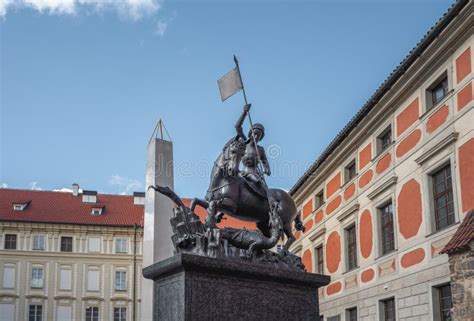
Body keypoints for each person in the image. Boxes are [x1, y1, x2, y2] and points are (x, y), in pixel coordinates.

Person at [235, 104, 275, 206]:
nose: (256, 136)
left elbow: (265, 162)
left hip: (253, 172)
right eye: (255, 133)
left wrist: (267, 169)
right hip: (242, 172)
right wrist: (244, 113)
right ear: (250, 133)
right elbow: (238, 127)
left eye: (259, 135)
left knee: (257, 182)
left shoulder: (260, 149)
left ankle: (270, 203)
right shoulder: (244, 142)